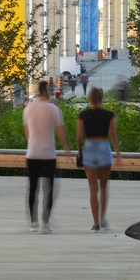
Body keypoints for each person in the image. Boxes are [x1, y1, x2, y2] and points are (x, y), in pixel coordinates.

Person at [22, 81, 71, 233]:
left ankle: (33, 223)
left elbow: (27, 132)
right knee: (49, 189)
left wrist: (32, 142)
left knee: (32, 188)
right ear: (46, 91)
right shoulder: (53, 109)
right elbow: (60, 131)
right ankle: (45, 224)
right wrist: (66, 145)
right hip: (48, 153)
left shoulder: (28, 108)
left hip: (33, 152)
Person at [76, 86, 122, 232]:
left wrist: (80, 151)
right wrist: (118, 153)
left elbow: (78, 136)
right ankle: (102, 218)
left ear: (89, 98)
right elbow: (113, 135)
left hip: (89, 147)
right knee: (103, 187)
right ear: (101, 98)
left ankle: (95, 223)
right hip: (103, 146)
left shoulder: (83, 115)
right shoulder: (109, 115)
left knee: (92, 189)